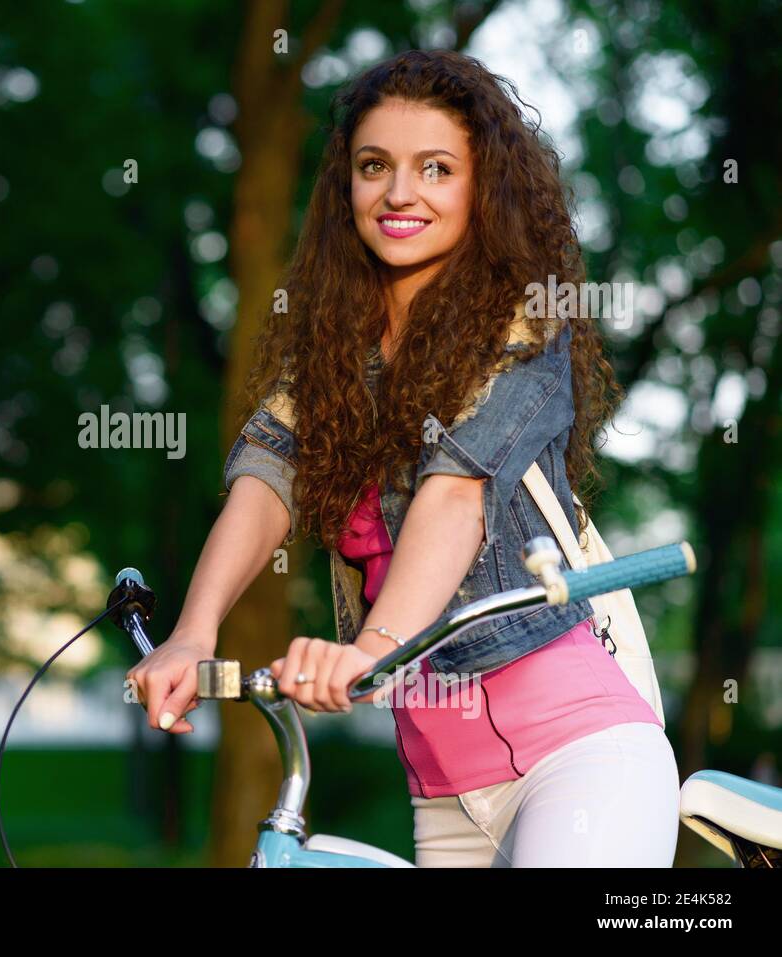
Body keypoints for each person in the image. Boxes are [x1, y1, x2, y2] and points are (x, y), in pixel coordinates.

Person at [124, 50, 680, 867]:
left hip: (580, 757)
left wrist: (371, 645)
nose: (399, 193)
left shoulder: (524, 328)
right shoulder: (328, 352)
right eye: (374, 166)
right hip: (443, 795)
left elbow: (455, 495)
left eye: (437, 168)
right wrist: (191, 632)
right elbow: (266, 481)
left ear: (481, 187)